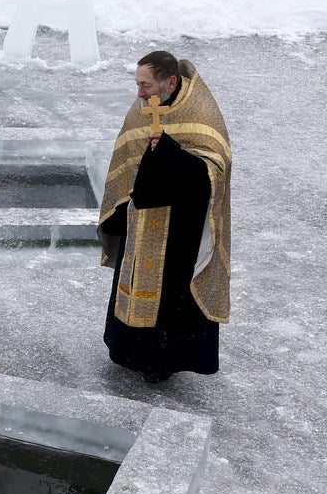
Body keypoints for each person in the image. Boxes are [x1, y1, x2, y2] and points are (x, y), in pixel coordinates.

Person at [98, 50, 232, 383]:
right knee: (134, 288)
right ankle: (127, 352)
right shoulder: (142, 107)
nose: (139, 93)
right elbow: (128, 156)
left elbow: (214, 172)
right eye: (137, 84)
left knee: (169, 301)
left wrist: (171, 153)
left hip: (180, 228)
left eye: (145, 85)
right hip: (140, 218)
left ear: (169, 82)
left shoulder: (201, 111)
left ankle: (162, 364)